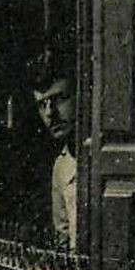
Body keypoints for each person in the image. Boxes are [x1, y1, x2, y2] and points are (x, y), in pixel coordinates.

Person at [33, 71, 77, 249]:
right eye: (42, 104)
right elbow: (63, 237)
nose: (50, 113)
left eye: (59, 99)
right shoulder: (62, 166)